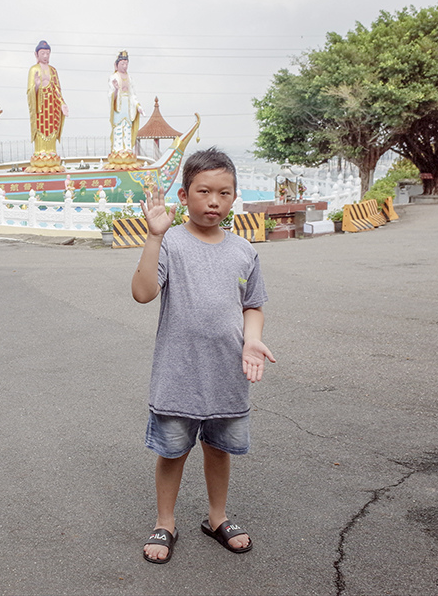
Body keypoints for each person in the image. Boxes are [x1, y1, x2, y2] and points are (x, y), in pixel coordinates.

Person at [131, 148, 275, 564]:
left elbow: (253, 305)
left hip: (227, 373)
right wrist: (154, 236)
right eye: (204, 191)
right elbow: (142, 293)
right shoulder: (171, 243)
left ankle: (217, 517)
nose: (214, 201)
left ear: (234, 197)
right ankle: (165, 521)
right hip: (178, 373)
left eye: (224, 193)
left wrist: (252, 339)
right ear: (184, 195)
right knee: (173, 450)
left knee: (218, 448)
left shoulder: (243, 250)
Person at [26, 40, 68, 172]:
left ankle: (51, 151)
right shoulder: (34, 69)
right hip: (40, 105)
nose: (45, 56)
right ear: (36, 54)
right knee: (41, 127)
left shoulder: (53, 70)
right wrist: (37, 85)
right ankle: (40, 152)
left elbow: (57, 89)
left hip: (52, 105)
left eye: (47, 53)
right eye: (42, 53)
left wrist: (62, 104)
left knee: (52, 127)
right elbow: (30, 91)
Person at [106, 51, 143, 170]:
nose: (125, 66)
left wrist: (138, 106)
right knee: (118, 127)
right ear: (116, 64)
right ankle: (118, 149)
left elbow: (133, 95)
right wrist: (116, 90)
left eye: (126, 63)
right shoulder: (114, 77)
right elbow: (110, 94)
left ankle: (127, 148)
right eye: (122, 63)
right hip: (118, 105)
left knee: (127, 127)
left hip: (128, 106)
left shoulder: (130, 78)